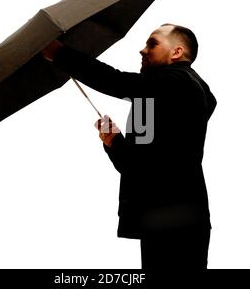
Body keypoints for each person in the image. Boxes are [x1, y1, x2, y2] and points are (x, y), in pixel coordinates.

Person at [41, 24, 217, 269]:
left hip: (180, 220)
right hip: (158, 219)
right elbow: (134, 165)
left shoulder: (181, 81)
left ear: (176, 53)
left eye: (152, 44)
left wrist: (60, 54)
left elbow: (118, 82)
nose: (142, 50)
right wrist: (114, 141)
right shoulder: (149, 99)